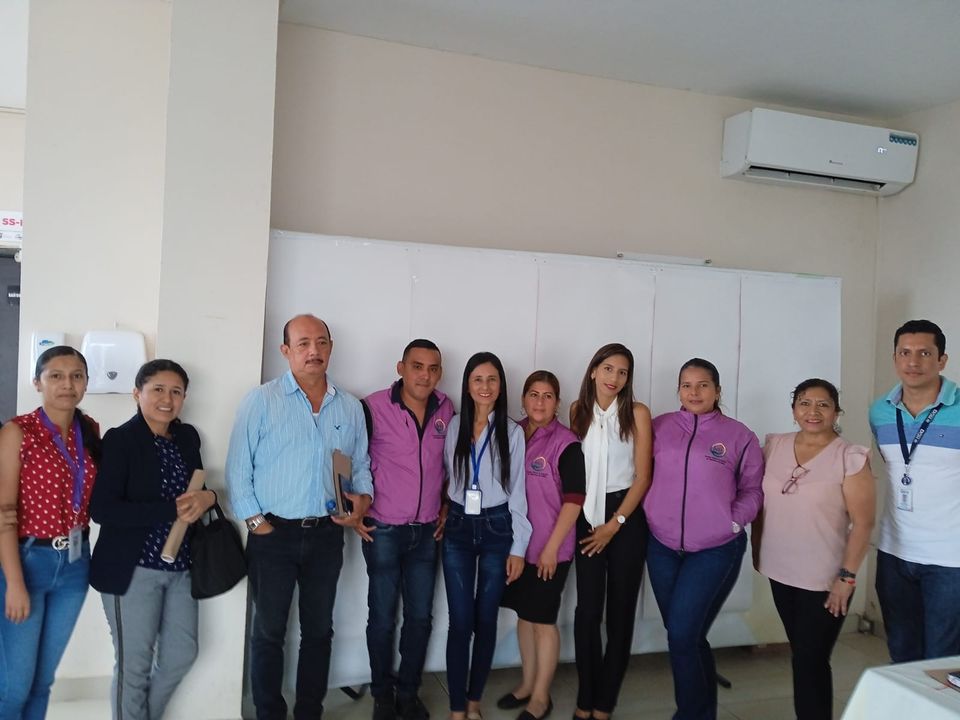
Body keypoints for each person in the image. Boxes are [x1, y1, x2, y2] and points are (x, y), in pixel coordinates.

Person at [226, 314, 373, 720]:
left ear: (331, 348)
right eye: (303, 343)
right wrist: (257, 524)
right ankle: (269, 713)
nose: (314, 351)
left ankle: (310, 711)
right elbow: (238, 469)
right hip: (273, 535)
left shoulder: (349, 407)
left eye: (321, 342)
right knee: (268, 632)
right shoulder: (261, 400)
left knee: (319, 631)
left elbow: (360, 465)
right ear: (286, 350)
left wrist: (362, 500)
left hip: (327, 535)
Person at [89, 359, 217, 720]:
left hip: (180, 566)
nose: (167, 399)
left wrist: (209, 498)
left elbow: (198, 489)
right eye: (158, 389)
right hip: (132, 569)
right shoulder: (120, 440)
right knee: (135, 665)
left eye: (176, 391)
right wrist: (170, 510)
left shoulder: (187, 438)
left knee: (181, 654)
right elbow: (103, 510)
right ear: (137, 393)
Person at [644, 358, 763, 720]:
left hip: (714, 550)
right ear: (678, 390)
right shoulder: (659, 427)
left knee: (682, 635)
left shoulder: (739, 436)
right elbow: (638, 473)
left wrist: (732, 522)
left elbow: (753, 490)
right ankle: (703, 712)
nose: (694, 392)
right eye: (687, 385)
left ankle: (689, 714)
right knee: (687, 635)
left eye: (703, 385)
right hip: (662, 546)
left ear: (717, 390)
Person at [753, 379, 874, 720]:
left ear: (836, 412)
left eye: (823, 404)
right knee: (802, 656)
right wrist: (755, 546)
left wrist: (847, 578)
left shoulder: (849, 457)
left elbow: (863, 523)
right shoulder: (774, 445)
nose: (813, 411)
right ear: (794, 410)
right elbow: (759, 502)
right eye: (805, 403)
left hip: (825, 578)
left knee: (811, 659)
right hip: (780, 569)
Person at [0, 346, 101, 718]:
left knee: (43, 682)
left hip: (75, 564)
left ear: (86, 383)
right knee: (14, 688)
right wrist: (14, 582)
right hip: (28, 560)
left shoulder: (90, 431)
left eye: (76, 376)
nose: (67, 384)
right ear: (37, 382)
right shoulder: (18, 431)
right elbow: (4, 512)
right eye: (55, 375)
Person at [361, 339, 455, 720]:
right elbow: (350, 459)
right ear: (401, 368)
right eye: (417, 366)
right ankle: (382, 695)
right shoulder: (373, 407)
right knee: (383, 617)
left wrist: (446, 503)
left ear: (440, 373)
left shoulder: (446, 408)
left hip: (427, 530)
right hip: (383, 527)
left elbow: (451, 463)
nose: (425, 375)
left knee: (420, 618)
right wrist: (352, 509)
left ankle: (408, 693)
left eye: (433, 368)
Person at [442, 352, 529, 720]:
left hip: (497, 528)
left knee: (486, 618)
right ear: (467, 385)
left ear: (501, 386)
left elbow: (519, 492)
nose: (485, 386)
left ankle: (474, 702)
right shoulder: (454, 427)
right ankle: (456, 708)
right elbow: (447, 478)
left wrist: (519, 547)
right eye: (478, 379)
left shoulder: (512, 432)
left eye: (492, 379)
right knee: (461, 621)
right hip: (458, 527)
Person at [569, 343, 652, 720]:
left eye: (622, 372)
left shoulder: (637, 413)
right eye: (607, 369)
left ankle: (604, 704)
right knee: (587, 612)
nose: (614, 378)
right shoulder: (578, 410)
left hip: (625, 516)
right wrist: (594, 524)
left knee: (620, 613)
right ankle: (585, 698)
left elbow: (643, 476)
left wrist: (615, 524)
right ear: (593, 371)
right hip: (587, 514)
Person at [869, 319, 960, 662]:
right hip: (894, 552)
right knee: (902, 654)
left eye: (924, 353)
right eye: (905, 353)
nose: (913, 361)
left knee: (942, 660)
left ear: (942, 360)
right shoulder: (879, 411)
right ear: (895, 358)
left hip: (951, 559)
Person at [500, 371, 585, 720]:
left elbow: (574, 500)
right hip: (517, 548)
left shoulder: (566, 443)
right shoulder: (512, 433)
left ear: (557, 403)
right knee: (524, 616)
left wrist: (551, 548)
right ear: (523, 399)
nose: (539, 402)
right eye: (533, 394)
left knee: (543, 621)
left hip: (550, 550)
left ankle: (541, 697)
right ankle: (526, 684)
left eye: (548, 396)